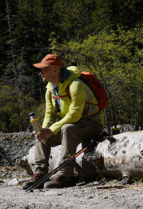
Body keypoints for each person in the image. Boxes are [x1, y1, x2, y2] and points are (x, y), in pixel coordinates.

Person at [22, 54, 103, 189]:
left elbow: (74, 115)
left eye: (43, 69)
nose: (40, 73)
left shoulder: (76, 85)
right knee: (42, 134)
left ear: (55, 70)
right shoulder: (50, 89)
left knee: (67, 128)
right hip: (72, 126)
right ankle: (40, 174)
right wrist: (44, 131)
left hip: (92, 124)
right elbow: (49, 114)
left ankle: (66, 175)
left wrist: (52, 129)